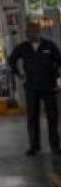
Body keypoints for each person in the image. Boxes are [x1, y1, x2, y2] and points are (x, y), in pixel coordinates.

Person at [9, 19, 61, 155]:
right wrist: (19, 75)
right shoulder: (23, 47)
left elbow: (60, 62)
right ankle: (34, 146)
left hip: (49, 86)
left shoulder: (50, 46)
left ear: (39, 32)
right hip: (31, 87)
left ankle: (55, 146)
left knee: (52, 116)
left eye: (33, 32)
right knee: (32, 117)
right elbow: (12, 60)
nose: (30, 34)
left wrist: (58, 81)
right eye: (28, 32)